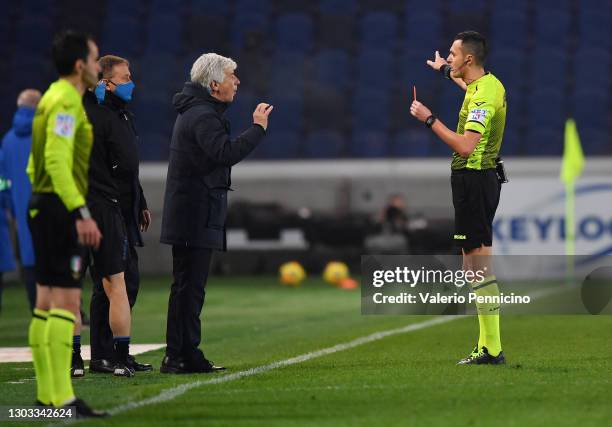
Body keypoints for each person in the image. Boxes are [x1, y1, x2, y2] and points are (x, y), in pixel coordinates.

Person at [159, 53, 273, 374]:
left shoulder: (197, 112)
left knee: (187, 287)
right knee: (189, 288)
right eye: (231, 76)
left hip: (192, 211)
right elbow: (224, 153)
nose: (236, 82)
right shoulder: (202, 116)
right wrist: (258, 129)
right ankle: (182, 355)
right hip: (194, 213)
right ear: (213, 84)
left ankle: (181, 353)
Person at [410, 31, 506, 365]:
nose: (448, 58)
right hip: (482, 179)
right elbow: (469, 88)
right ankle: (487, 346)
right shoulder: (488, 85)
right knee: (476, 266)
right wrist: (442, 71)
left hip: (473, 179)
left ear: (468, 59)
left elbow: (466, 146)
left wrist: (429, 119)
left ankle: (492, 349)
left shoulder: (481, 98)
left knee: (477, 267)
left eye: (452, 54)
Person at [26, 30, 107, 417]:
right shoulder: (65, 103)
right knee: (66, 302)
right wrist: (79, 211)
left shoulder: (49, 98)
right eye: (94, 60)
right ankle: (63, 399)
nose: (97, 66)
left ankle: (48, 397)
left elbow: (34, 164)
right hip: (60, 208)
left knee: (45, 303)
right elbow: (57, 162)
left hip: (43, 205)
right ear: (80, 66)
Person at [83, 54, 152, 377]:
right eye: (125, 78)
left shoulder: (122, 115)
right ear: (105, 83)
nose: (131, 83)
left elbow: (128, 165)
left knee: (125, 282)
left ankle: (113, 351)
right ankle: (104, 354)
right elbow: (102, 166)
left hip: (124, 207)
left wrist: (140, 200)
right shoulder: (96, 115)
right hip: (105, 207)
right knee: (109, 283)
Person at [1, 89, 41, 310]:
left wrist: (10, 206)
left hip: (19, 210)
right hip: (47, 206)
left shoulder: (7, 140)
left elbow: (3, 179)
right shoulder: (44, 131)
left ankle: (35, 308)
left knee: (28, 257)